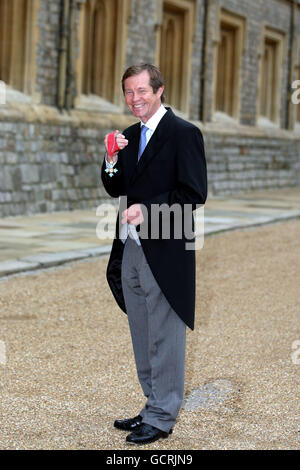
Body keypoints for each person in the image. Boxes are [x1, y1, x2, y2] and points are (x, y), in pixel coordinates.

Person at [101, 63, 207, 445]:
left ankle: (163, 416)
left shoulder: (184, 134)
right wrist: (111, 159)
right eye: (129, 92)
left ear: (160, 90)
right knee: (143, 331)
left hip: (165, 247)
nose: (135, 99)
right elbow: (116, 190)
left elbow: (194, 193)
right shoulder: (129, 136)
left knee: (165, 332)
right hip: (130, 245)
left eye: (142, 91)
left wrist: (148, 210)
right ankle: (152, 404)